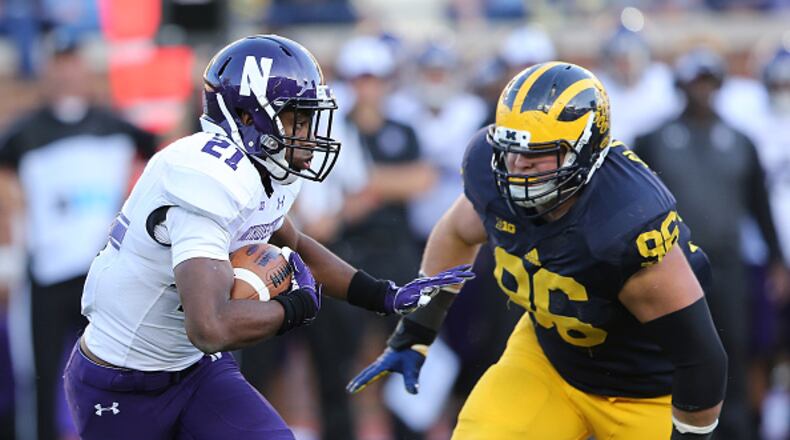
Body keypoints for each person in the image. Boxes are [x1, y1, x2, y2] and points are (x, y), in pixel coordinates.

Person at [61, 34, 473, 440]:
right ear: (246, 117)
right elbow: (208, 325)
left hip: (195, 370)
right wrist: (294, 307)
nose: (310, 134)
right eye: (298, 117)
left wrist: (380, 294)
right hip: (121, 383)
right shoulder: (206, 179)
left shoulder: (264, 166)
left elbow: (295, 245)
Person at [348, 61, 728, 440]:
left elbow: (703, 360)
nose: (518, 167)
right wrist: (416, 330)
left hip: (647, 394)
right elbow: (455, 234)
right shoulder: (496, 175)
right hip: (549, 362)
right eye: (511, 150)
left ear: (585, 151)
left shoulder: (624, 224)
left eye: (537, 154)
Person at [0, 36, 158, 440]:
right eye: (58, 63)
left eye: (73, 62)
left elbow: (162, 156)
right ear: (46, 70)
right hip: (48, 273)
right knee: (40, 376)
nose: (66, 72)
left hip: (104, 275)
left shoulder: (116, 127)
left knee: (121, 374)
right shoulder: (23, 134)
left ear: (86, 69)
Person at [635, 48, 787, 440]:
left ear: (718, 85)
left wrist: (776, 259)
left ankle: (734, 428)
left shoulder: (739, 140)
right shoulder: (653, 139)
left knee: (733, 348)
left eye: (708, 82)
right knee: (674, 349)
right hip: (671, 264)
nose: (701, 90)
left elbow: (759, 205)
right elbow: (632, 205)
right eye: (693, 82)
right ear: (680, 86)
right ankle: (676, 430)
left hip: (728, 264)